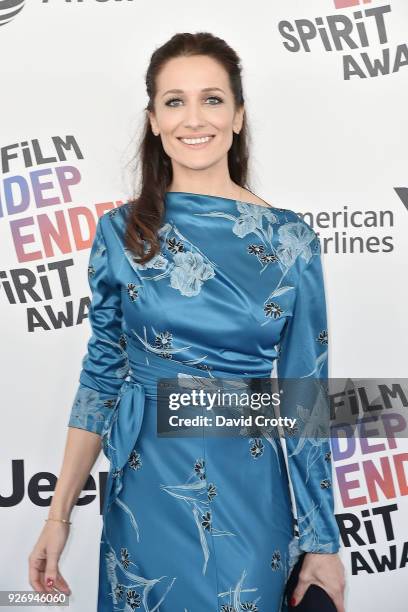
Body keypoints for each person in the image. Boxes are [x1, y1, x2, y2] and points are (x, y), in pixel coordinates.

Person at [28, 32, 346, 612]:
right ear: (153, 120)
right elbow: (101, 378)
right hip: (144, 495)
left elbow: (304, 399)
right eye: (174, 102)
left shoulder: (291, 240)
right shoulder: (120, 235)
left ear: (239, 114)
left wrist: (322, 539)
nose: (193, 119)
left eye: (212, 99)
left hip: (248, 493)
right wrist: (58, 518)